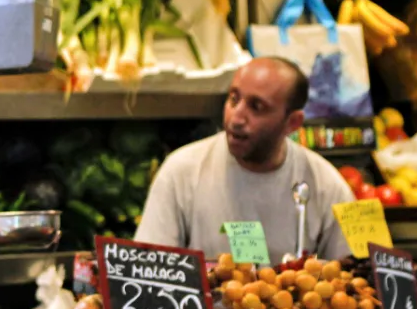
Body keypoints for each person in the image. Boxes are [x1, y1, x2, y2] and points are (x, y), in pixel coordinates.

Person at [134, 57, 355, 262]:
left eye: (256, 107)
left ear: (292, 123)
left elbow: (356, 278)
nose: (236, 118)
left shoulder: (327, 186)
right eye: (233, 99)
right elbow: (149, 269)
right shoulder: (180, 172)